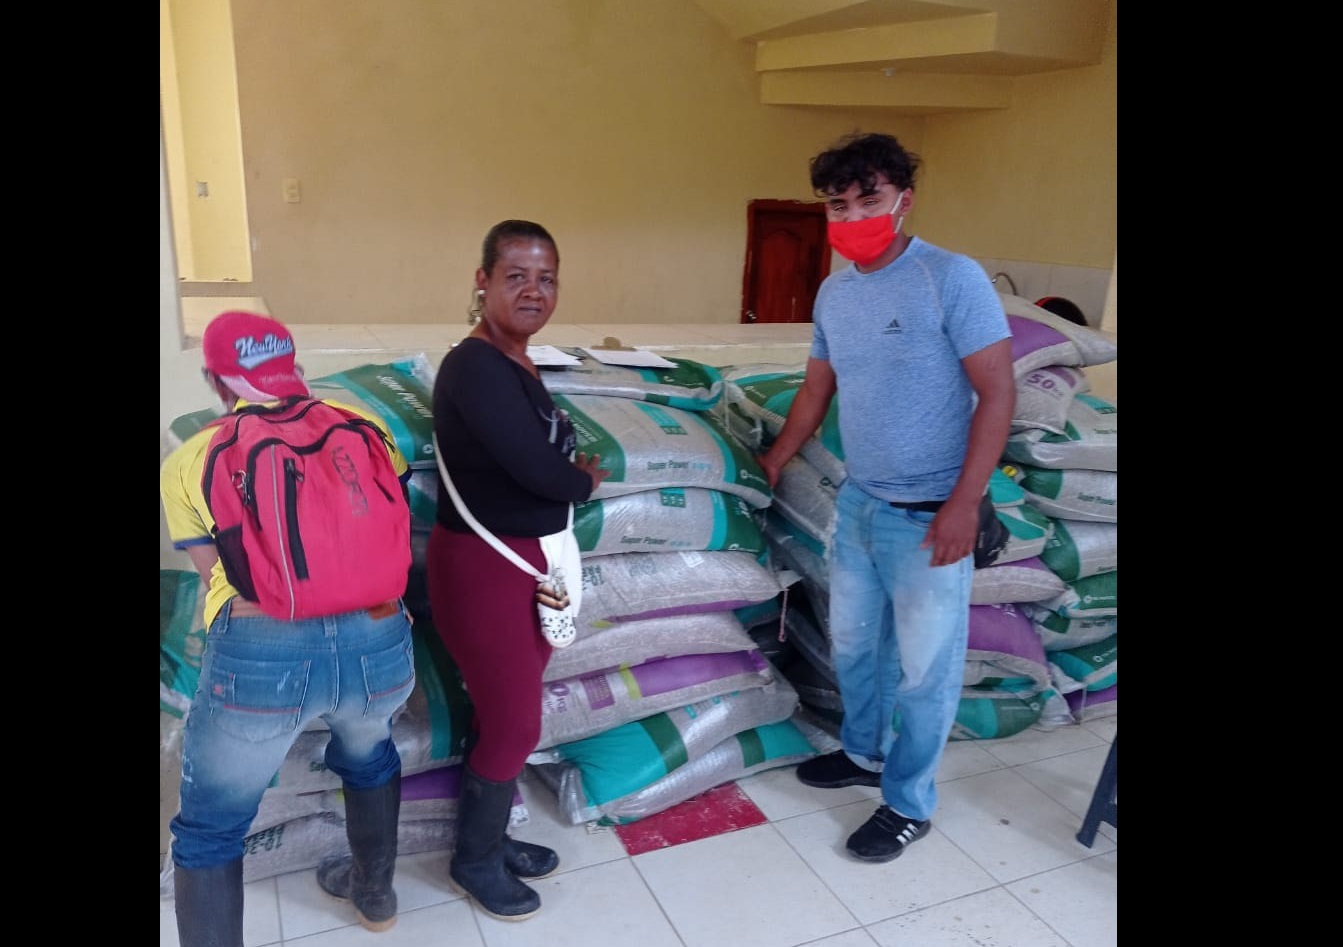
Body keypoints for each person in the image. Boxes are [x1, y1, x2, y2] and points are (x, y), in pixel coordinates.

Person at [758, 132, 1014, 863]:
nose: (852, 217)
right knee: (854, 645)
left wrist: (965, 502)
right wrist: (774, 459)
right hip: (861, 503)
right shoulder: (834, 293)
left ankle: (908, 803)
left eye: (867, 199)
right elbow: (816, 389)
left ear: (903, 200)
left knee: (926, 670)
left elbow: (998, 392)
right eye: (837, 205)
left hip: (931, 515)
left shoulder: (949, 278)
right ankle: (863, 753)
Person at [159, 310, 417, 944]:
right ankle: (376, 898)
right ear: (292, 367)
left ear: (216, 381)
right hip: (380, 639)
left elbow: (216, 574)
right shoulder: (366, 425)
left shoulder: (191, 459)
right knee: (371, 756)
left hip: (262, 654)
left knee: (211, 829)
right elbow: (387, 523)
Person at [427, 219, 609, 921]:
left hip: (528, 565)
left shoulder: (518, 361)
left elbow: (536, 468)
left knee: (503, 710)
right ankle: (472, 860)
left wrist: (564, 480)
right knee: (515, 723)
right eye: (516, 276)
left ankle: (492, 837)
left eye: (546, 278)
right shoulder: (474, 366)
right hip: (484, 570)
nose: (534, 291)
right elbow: (539, 471)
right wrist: (581, 481)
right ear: (483, 282)